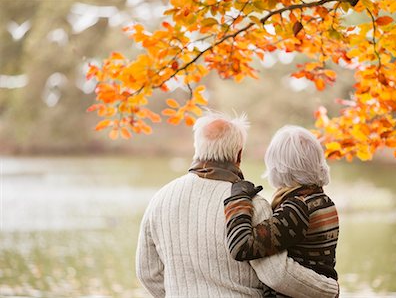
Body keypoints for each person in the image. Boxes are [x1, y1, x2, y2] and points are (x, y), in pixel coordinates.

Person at [136, 113, 339, 297]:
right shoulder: (253, 204)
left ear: (197, 147)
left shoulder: (160, 198)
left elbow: (148, 273)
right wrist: (330, 289)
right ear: (239, 155)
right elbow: (276, 275)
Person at [224, 125, 340, 297]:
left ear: (279, 166)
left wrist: (238, 199)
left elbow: (241, 246)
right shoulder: (322, 200)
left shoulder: (297, 209)